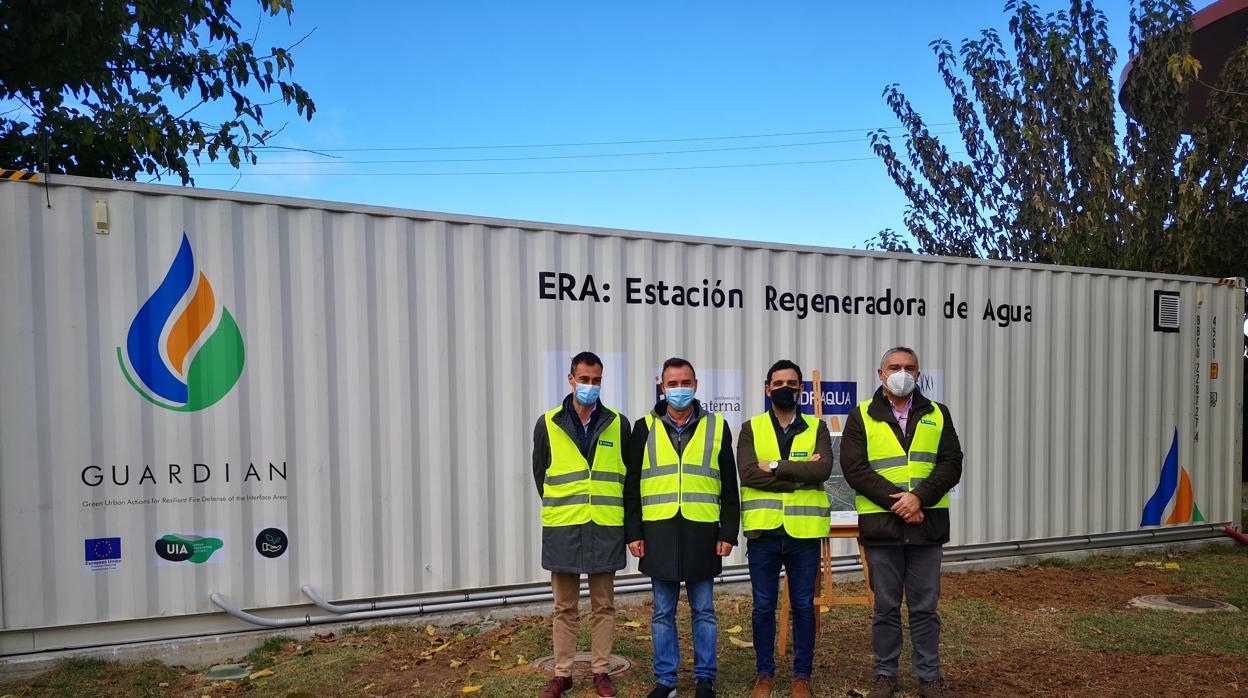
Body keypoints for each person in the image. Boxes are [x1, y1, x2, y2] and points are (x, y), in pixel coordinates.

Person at [840, 347, 963, 698]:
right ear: (880, 374)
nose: (902, 373)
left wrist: (919, 497)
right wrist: (902, 503)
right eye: (894, 367)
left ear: (919, 374)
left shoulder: (938, 414)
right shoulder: (861, 415)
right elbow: (855, 469)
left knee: (925, 608)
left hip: (927, 526)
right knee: (885, 607)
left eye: (909, 368)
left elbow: (951, 463)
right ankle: (885, 674)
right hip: (883, 527)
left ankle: (929, 677)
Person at [624, 357, 740, 698]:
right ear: (662, 387)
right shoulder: (643, 427)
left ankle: (706, 678)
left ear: (696, 385)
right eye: (672, 384)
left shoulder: (717, 426)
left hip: (702, 531)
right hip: (658, 531)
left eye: (685, 383)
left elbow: (729, 487)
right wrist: (633, 532)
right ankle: (666, 681)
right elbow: (632, 485)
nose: (679, 390)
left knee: (704, 610)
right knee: (662, 611)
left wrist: (727, 532)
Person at [533, 352, 631, 698]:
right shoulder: (548, 423)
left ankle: (600, 671)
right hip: (563, 528)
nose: (590, 385)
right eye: (585, 379)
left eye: (597, 380)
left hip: (604, 526)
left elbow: (628, 478)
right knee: (564, 607)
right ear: (571, 379)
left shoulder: (619, 423)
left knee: (604, 605)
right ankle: (563, 673)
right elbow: (540, 474)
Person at [737, 360, 834, 698]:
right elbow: (748, 474)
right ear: (767, 389)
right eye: (778, 383)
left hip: (804, 534)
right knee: (763, 606)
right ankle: (765, 674)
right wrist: (795, 477)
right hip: (763, 533)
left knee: (804, 606)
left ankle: (801, 677)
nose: (785, 388)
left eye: (792, 383)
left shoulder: (817, 428)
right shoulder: (751, 428)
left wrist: (776, 466)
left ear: (801, 389)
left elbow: (821, 473)